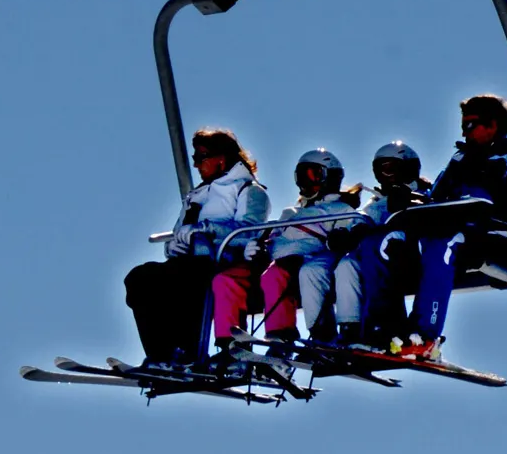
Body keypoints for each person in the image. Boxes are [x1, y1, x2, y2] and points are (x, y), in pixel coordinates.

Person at [394, 94, 507, 359]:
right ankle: (382, 330)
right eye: (463, 125)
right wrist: (413, 200)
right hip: (454, 230)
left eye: (471, 124)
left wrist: (469, 195)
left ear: (494, 125)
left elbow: (501, 205)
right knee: (385, 244)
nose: (465, 131)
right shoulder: (462, 158)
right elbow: (436, 198)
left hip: (496, 238)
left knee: (443, 244)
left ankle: (427, 336)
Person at [124, 129, 271, 366]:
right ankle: (161, 352)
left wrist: (207, 229)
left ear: (221, 158)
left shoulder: (248, 190)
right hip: (190, 260)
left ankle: (187, 350)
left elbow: (249, 231)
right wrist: (177, 245)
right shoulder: (197, 196)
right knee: (140, 278)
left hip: (225, 260)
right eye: (194, 158)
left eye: (201, 157)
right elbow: (177, 235)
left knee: (191, 277)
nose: (196, 164)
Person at [248, 149, 361, 345]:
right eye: (301, 176)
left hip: (309, 260)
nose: (305, 182)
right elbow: (273, 237)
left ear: (329, 177)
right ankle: (279, 339)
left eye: (312, 175)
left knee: (310, 272)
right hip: (281, 262)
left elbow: (345, 237)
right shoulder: (290, 213)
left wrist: (339, 239)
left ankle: (324, 332)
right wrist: (258, 248)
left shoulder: (340, 209)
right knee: (271, 276)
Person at [331, 141, 432, 347]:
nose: (386, 176)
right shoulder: (377, 201)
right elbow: (362, 220)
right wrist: (348, 234)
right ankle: (350, 328)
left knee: (378, 245)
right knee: (346, 265)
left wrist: (408, 204)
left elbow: (428, 216)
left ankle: (386, 326)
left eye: (391, 168)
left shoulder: (422, 193)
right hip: (378, 256)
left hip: (410, 256)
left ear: (408, 168)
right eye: (381, 170)